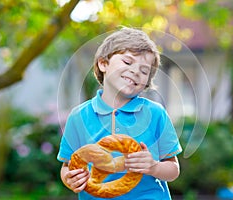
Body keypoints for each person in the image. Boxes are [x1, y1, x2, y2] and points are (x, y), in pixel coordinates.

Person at [57, 27, 182, 199]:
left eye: (144, 71)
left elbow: (173, 169)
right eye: (127, 62)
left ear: (146, 82)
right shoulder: (79, 117)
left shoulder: (155, 113)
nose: (136, 71)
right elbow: (67, 165)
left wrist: (153, 167)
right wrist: (69, 179)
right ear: (103, 64)